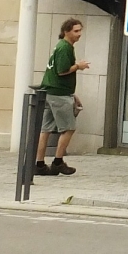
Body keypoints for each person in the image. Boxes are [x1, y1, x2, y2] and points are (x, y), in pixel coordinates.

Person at [35, 18, 89, 176]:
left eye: (80, 31)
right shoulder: (65, 47)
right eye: (76, 31)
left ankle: (39, 164)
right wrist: (79, 66)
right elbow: (62, 70)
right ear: (66, 31)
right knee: (69, 128)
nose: (79, 34)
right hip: (58, 94)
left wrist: (72, 93)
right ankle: (58, 161)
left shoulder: (61, 46)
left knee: (46, 130)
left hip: (52, 91)